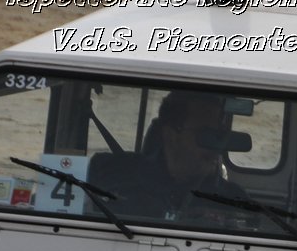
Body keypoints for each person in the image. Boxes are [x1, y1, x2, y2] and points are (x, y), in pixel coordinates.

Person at [102, 91, 250, 223]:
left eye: (219, 136)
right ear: (171, 136)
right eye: (205, 135)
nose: (215, 146)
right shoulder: (117, 176)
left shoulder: (233, 200)